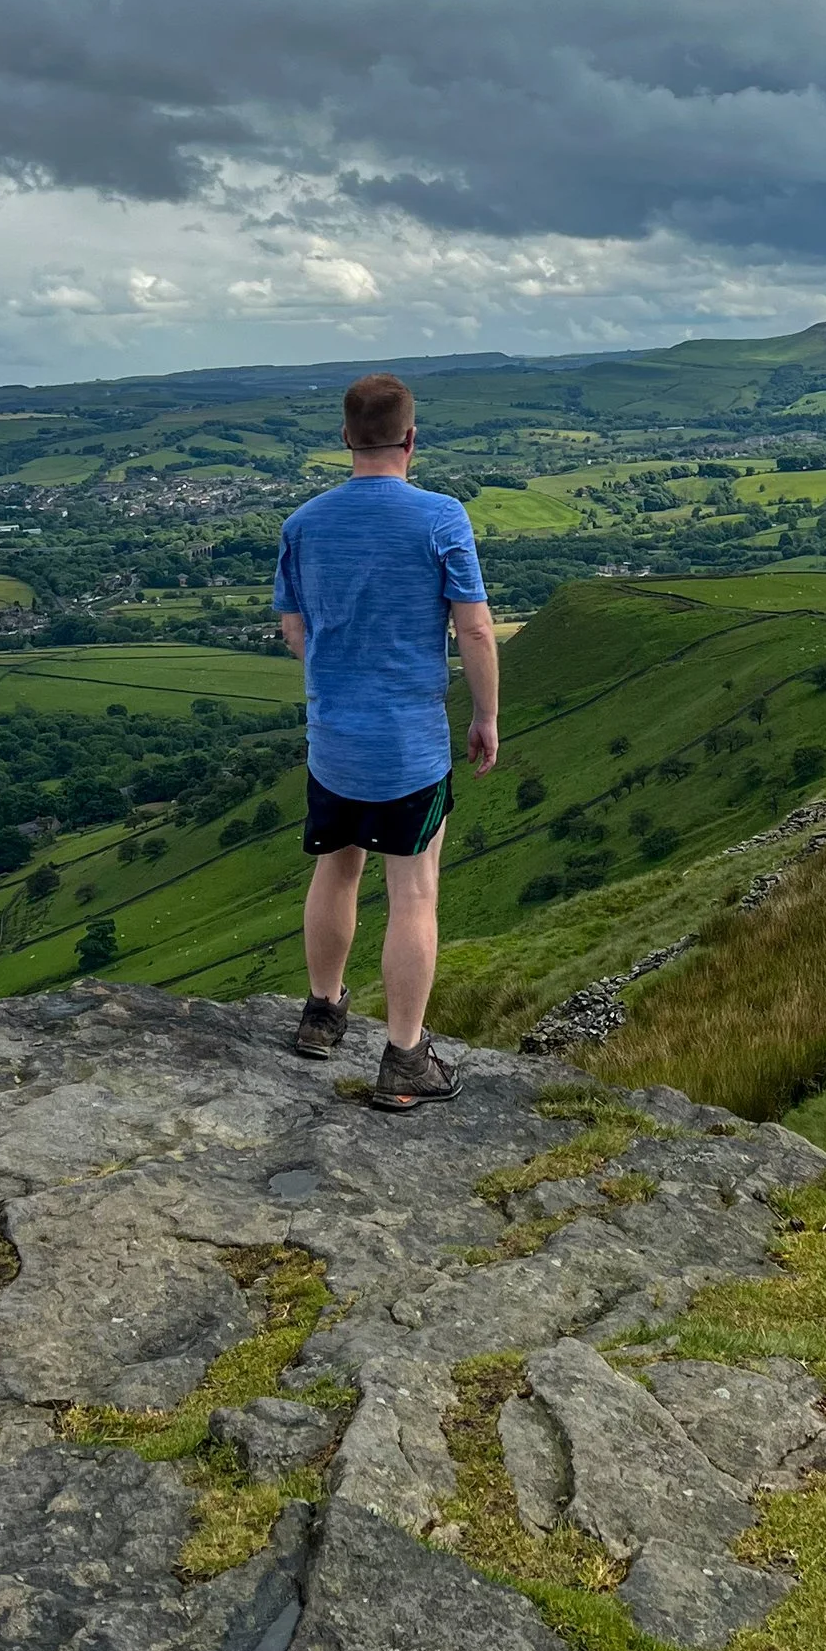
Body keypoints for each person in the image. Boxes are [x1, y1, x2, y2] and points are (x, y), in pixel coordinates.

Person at [273, 370, 499, 1108]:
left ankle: (320, 1013)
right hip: (409, 746)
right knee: (413, 890)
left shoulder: (303, 524)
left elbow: (294, 628)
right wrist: (484, 716)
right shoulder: (440, 517)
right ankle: (404, 1060)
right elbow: (473, 627)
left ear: (346, 437)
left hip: (335, 738)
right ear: (411, 439)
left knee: (335, 871)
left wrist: (337, 680)